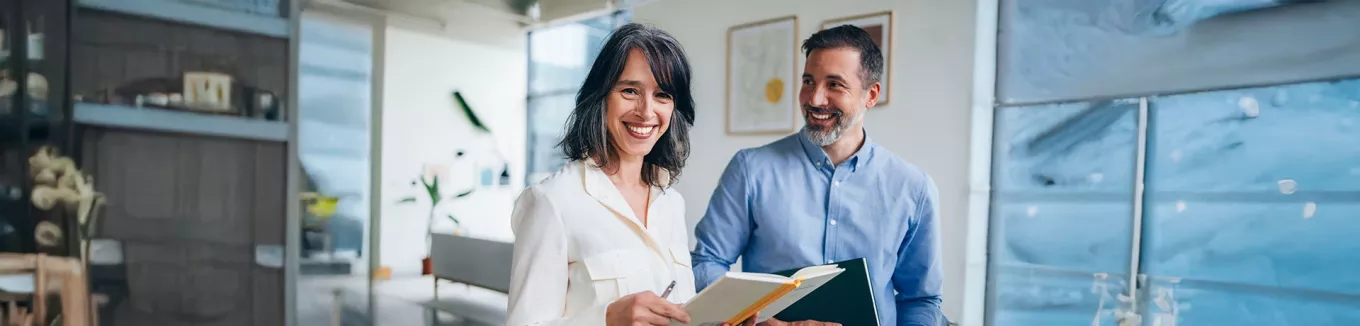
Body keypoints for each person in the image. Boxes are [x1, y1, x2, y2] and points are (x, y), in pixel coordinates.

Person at [691, 25, 943, 326]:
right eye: (808, 81)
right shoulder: (750, 169)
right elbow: (707, 263)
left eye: (834, 84)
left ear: (871, 94)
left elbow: (920, 299)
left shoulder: (913, 188)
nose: (815, 99)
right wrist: (754, 319)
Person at [506, 23, 698, 326]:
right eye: (630, 91)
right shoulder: (551, 201)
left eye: (662, 95)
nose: (646, 112)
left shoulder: (671, 202)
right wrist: (606, 319)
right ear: (601, 95)